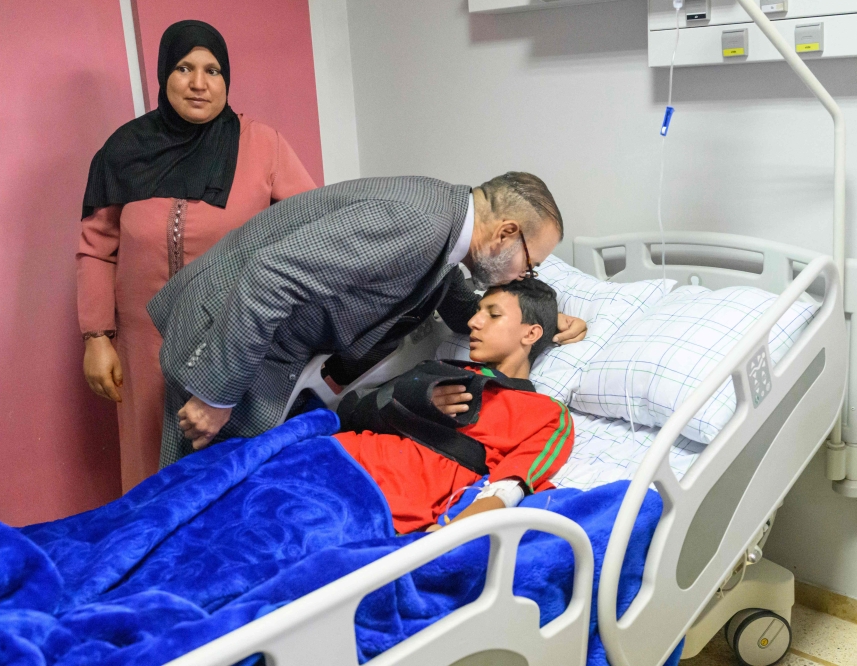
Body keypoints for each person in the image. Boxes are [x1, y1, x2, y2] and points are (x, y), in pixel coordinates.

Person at [148, 172, 587, 466]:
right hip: (227, 332)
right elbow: (270, 278)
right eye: (528, 265)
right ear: (506, 232)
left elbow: (458, 306)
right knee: (200, 490)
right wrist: (216, 393)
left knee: (213, 493)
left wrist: (543, 323)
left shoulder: (444, 236)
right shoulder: (419, 225)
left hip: (252, 332)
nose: (521, 276)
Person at [77, 20, 316, 491]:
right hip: (144, 346)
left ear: (227, 79)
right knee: (151, 471)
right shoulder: (124, 150)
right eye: (185, 68)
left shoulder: (261, 144)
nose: (199, 83)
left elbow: (311, 226)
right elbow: (95, 250)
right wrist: (96, 337)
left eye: (213, 70)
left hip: (230, 339)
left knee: (226, 471)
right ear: (165, 75)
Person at [335, 278, 573, 534]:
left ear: (531, 333)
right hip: (334, 458)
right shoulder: (436, 371)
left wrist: (452, 533)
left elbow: (509, 484)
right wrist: (414, 398)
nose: (473, 322)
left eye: (493, 314)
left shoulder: (547, 413)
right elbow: (350, 409)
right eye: (477, 311)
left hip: (381, 505)